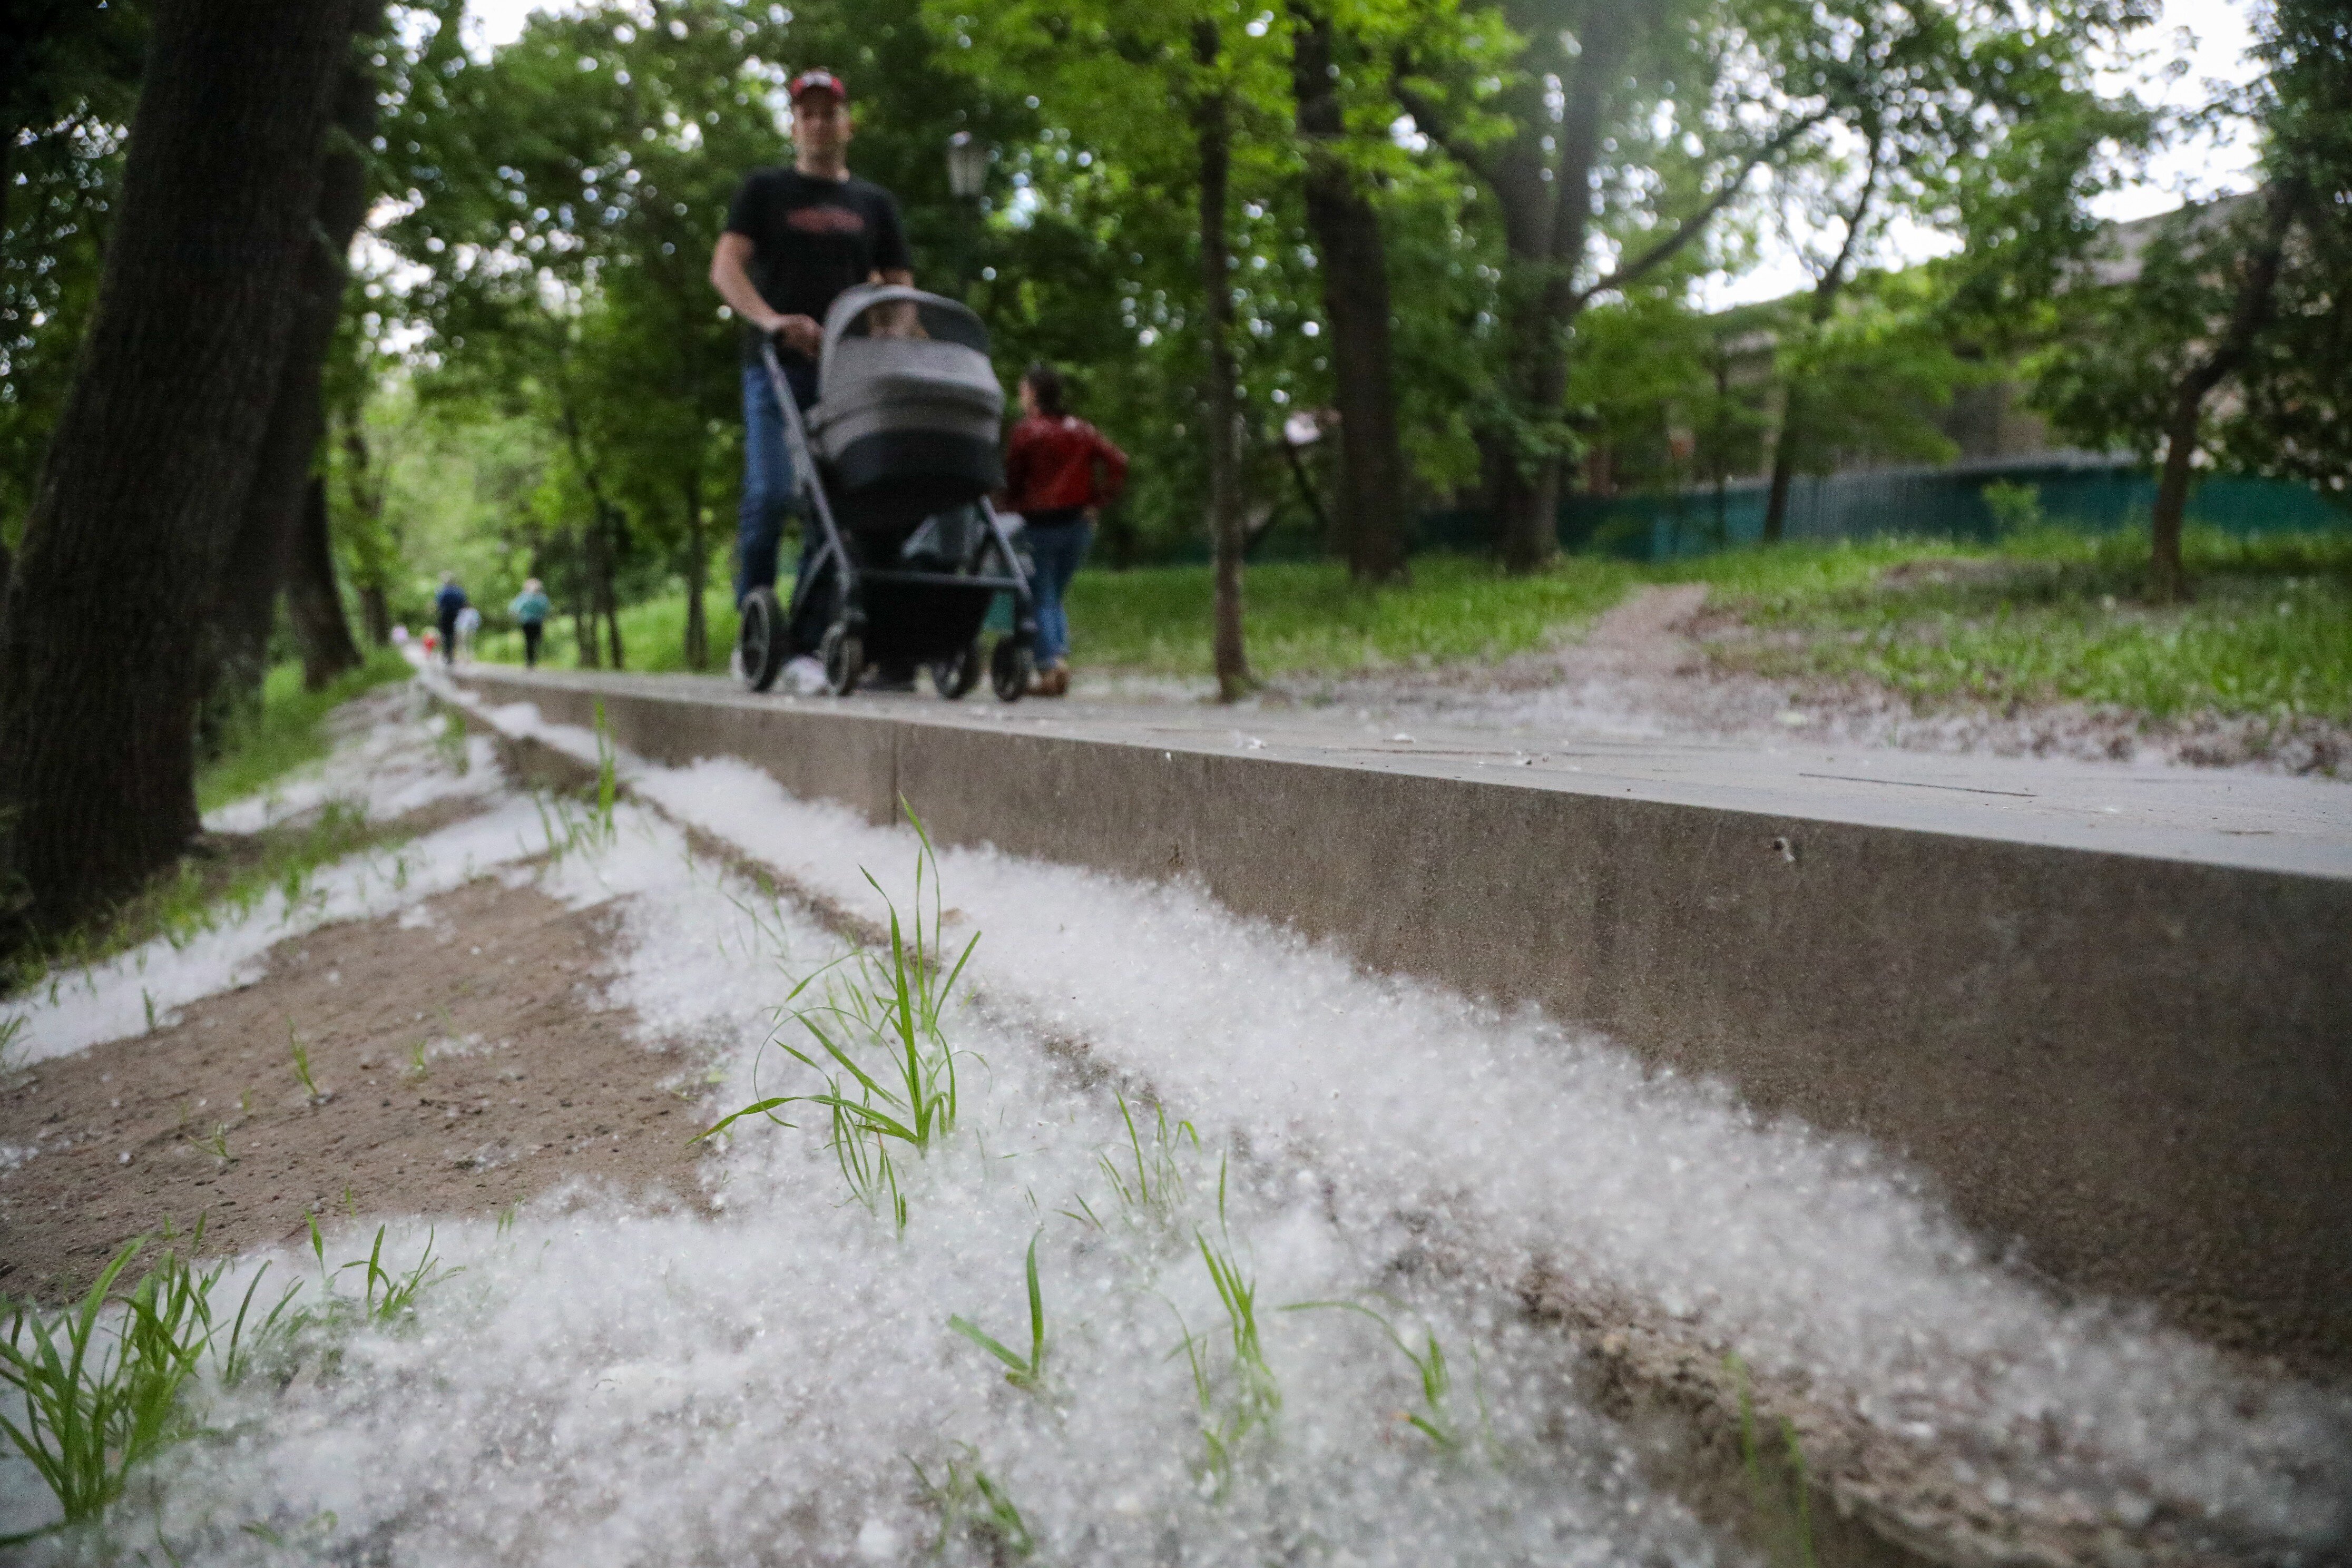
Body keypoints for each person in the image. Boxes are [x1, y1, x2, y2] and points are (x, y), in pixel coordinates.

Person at [709, 68, 912, 687]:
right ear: (794, 124)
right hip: (776, 370)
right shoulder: (766, 191)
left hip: (847, 378)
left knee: (837, 509)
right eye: (809, 113)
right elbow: (726, 268)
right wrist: (772, 320)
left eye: (830, 113)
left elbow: (901, 286)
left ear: (847, 123)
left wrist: (891, 334)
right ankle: (756, 627)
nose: (820, 123)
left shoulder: (874, 205)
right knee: (771, 495)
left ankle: (806, 640)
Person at [1003, 364, 1127, 697]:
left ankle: (1050, 666)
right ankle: (1056, 660)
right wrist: (1097, 501)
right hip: (1077, 526)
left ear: (1032, 393)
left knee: (1041, 596)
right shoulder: (1082, 430)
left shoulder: (1027, 432)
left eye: (1023, 389)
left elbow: (1013, 480)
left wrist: (1009, 505)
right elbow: (1118, 463)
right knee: (1053, 597)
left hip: (1041, 526)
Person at [509, 577, 552, 668]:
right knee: (529, 641)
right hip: (527, 622)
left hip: (538, 622)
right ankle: (530, 661)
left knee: (537, 640)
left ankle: (534, 659)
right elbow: (516, 607)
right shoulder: (524, 596)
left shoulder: (541, 598)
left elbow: (546, 608)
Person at [433, 572, 467, 667]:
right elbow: (464, 602)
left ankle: (447, 653)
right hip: (457, 615)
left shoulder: (444, 591)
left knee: (445, 634)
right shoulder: (459, 591)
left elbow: (439, 603)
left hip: (445, 614)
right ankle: (451, 654)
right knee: (452, 634)